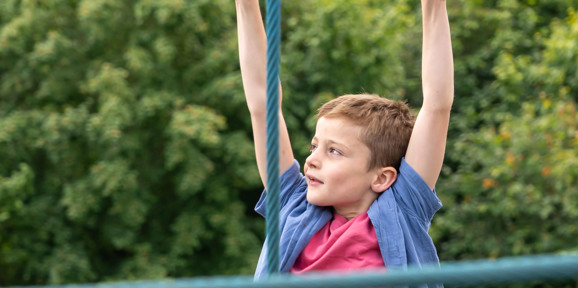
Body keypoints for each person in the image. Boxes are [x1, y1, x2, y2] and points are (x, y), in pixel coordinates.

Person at [235, 0, 454, 283]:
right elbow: (262, 103)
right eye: (314, 147)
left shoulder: (402, 209)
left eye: (334, 151)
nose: (311, 160)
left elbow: (437, 105)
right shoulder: (292, 204)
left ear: (381, 178)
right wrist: (245, 5)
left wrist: (434, 6)